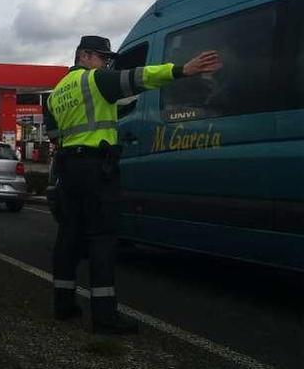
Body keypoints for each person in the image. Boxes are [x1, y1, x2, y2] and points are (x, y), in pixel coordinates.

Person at [45, 35, 221, 335]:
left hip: (68, 168)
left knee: (68, 237)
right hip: (96, 168)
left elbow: (53, 133)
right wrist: (182, 70)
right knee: (102, 239)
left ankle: (63, 305)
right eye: (102, 57)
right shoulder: (94, 80)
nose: (106, 63)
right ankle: (104, 318)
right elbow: (138, 78)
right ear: (85, 56)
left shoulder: (55, 93)